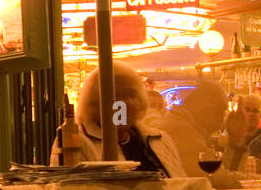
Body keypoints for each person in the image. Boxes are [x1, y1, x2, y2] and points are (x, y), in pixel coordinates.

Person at [52, 65, 186, 176]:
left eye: (131, 95)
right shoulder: (74, 141)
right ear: (94, 103)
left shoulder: (160, 139)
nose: (126, 103)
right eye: (116, 95)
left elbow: (181, 186)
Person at [157, 82, 249, 189]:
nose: (221, 117)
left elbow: (219, 175)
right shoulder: (180, 128)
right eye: (220, 108)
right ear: (200, 104)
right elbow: (216, 180)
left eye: (223, 111)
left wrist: (235, 142)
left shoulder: (189, 126)